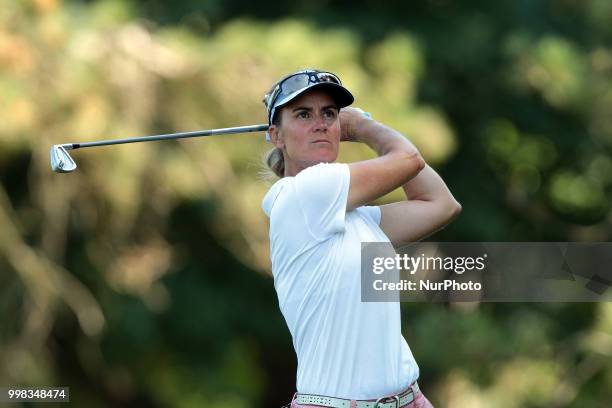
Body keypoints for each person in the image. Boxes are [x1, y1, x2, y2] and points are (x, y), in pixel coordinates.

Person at [261, 69, 461, 408]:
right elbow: (408, 159)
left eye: (329, 114)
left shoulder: (357, 218)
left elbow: (441, 204)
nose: (320, 123)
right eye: (303, 114)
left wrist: (361, 125)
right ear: (276, 136)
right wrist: (364, 127)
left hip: (408, 399)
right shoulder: (301, 195)